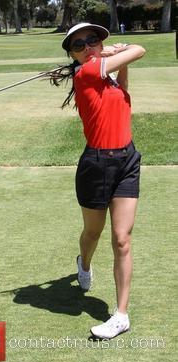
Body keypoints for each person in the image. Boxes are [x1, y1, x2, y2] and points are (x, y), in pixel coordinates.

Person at [58, 23, 146, 339]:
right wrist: (110, 51)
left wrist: (113, 60)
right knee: (93, 233)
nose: (87, 46)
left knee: (122, 238)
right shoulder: (85, 75)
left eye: (92, 40)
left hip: (127, 160)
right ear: (72, 54)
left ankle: (121, 315)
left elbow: (124, 91)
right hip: (96, 166)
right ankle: (84, 263)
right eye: (78, 45)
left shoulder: (105, 76)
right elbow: (140, 50)